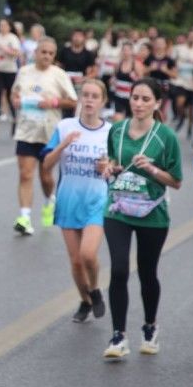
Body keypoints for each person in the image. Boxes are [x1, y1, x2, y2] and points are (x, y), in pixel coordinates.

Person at [99, 78, 183, 359]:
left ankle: (149, 326)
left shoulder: (165, 137)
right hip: (118, 209)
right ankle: (118, 336)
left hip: (152, 213)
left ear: (157, 103)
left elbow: (176, 181)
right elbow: (112, 162)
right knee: (119, 269)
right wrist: (108, 168)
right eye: (135, 97)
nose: (139, 104)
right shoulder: (117, 130)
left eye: (146, 99)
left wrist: (153, 169)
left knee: (147, 273)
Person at [41, 79, 111, 323]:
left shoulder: (110, 132)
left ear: (103, 101)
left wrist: (108, 167)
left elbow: (117, 168)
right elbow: (47, 164)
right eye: (86, 95)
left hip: (97, 200)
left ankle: (95, 289)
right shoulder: (65, 126)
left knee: (88, 255)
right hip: (69, 200)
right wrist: (63, 145)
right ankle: (85, 300)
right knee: (76, 262)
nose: (89, 100)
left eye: (95, 96)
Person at [11, 37, 78, 234]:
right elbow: (15, 94)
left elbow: (73, 101)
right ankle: (24, 217)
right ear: (36, 53)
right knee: (25, 174)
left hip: (50, 132)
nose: (47, 56)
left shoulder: (59, 75)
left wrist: (54, 103)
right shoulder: (24, 72)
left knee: (45, 176)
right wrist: (15, 100)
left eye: (50, 53)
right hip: (26, 130)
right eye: (43, 52)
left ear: (54, 56)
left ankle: (50, 200)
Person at [0, 19, 22, 134]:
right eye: (0, 25)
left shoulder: (12, 38)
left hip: (10, 70)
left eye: (4, 25)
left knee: (10, 96)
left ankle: (14, 119)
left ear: (9, 27)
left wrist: (5, 49)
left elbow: (17, 53)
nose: (2, 27)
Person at [58, 29, 98, 118]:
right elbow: (58, 66)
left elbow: (95, 71)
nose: (77, 38)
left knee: (77, 108)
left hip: (80, 84)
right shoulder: (64, 51)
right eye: (75, 36)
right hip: (65, 82)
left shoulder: (88, 54)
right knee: (64, 106)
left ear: (84, 38)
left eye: (79, 36)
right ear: (71, 37)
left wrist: (84, 78)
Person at [110, 41, 142, 122]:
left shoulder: (136, 65)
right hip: (118, 97)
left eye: (127, 50)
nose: (125, 52)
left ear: (132, 51)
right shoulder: (118, 64)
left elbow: (142, 84)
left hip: (131, 99)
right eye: (123, 50)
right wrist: (112, 81)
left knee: (132, 122)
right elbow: (113, 78)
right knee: (117, 120)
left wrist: (135, 78)